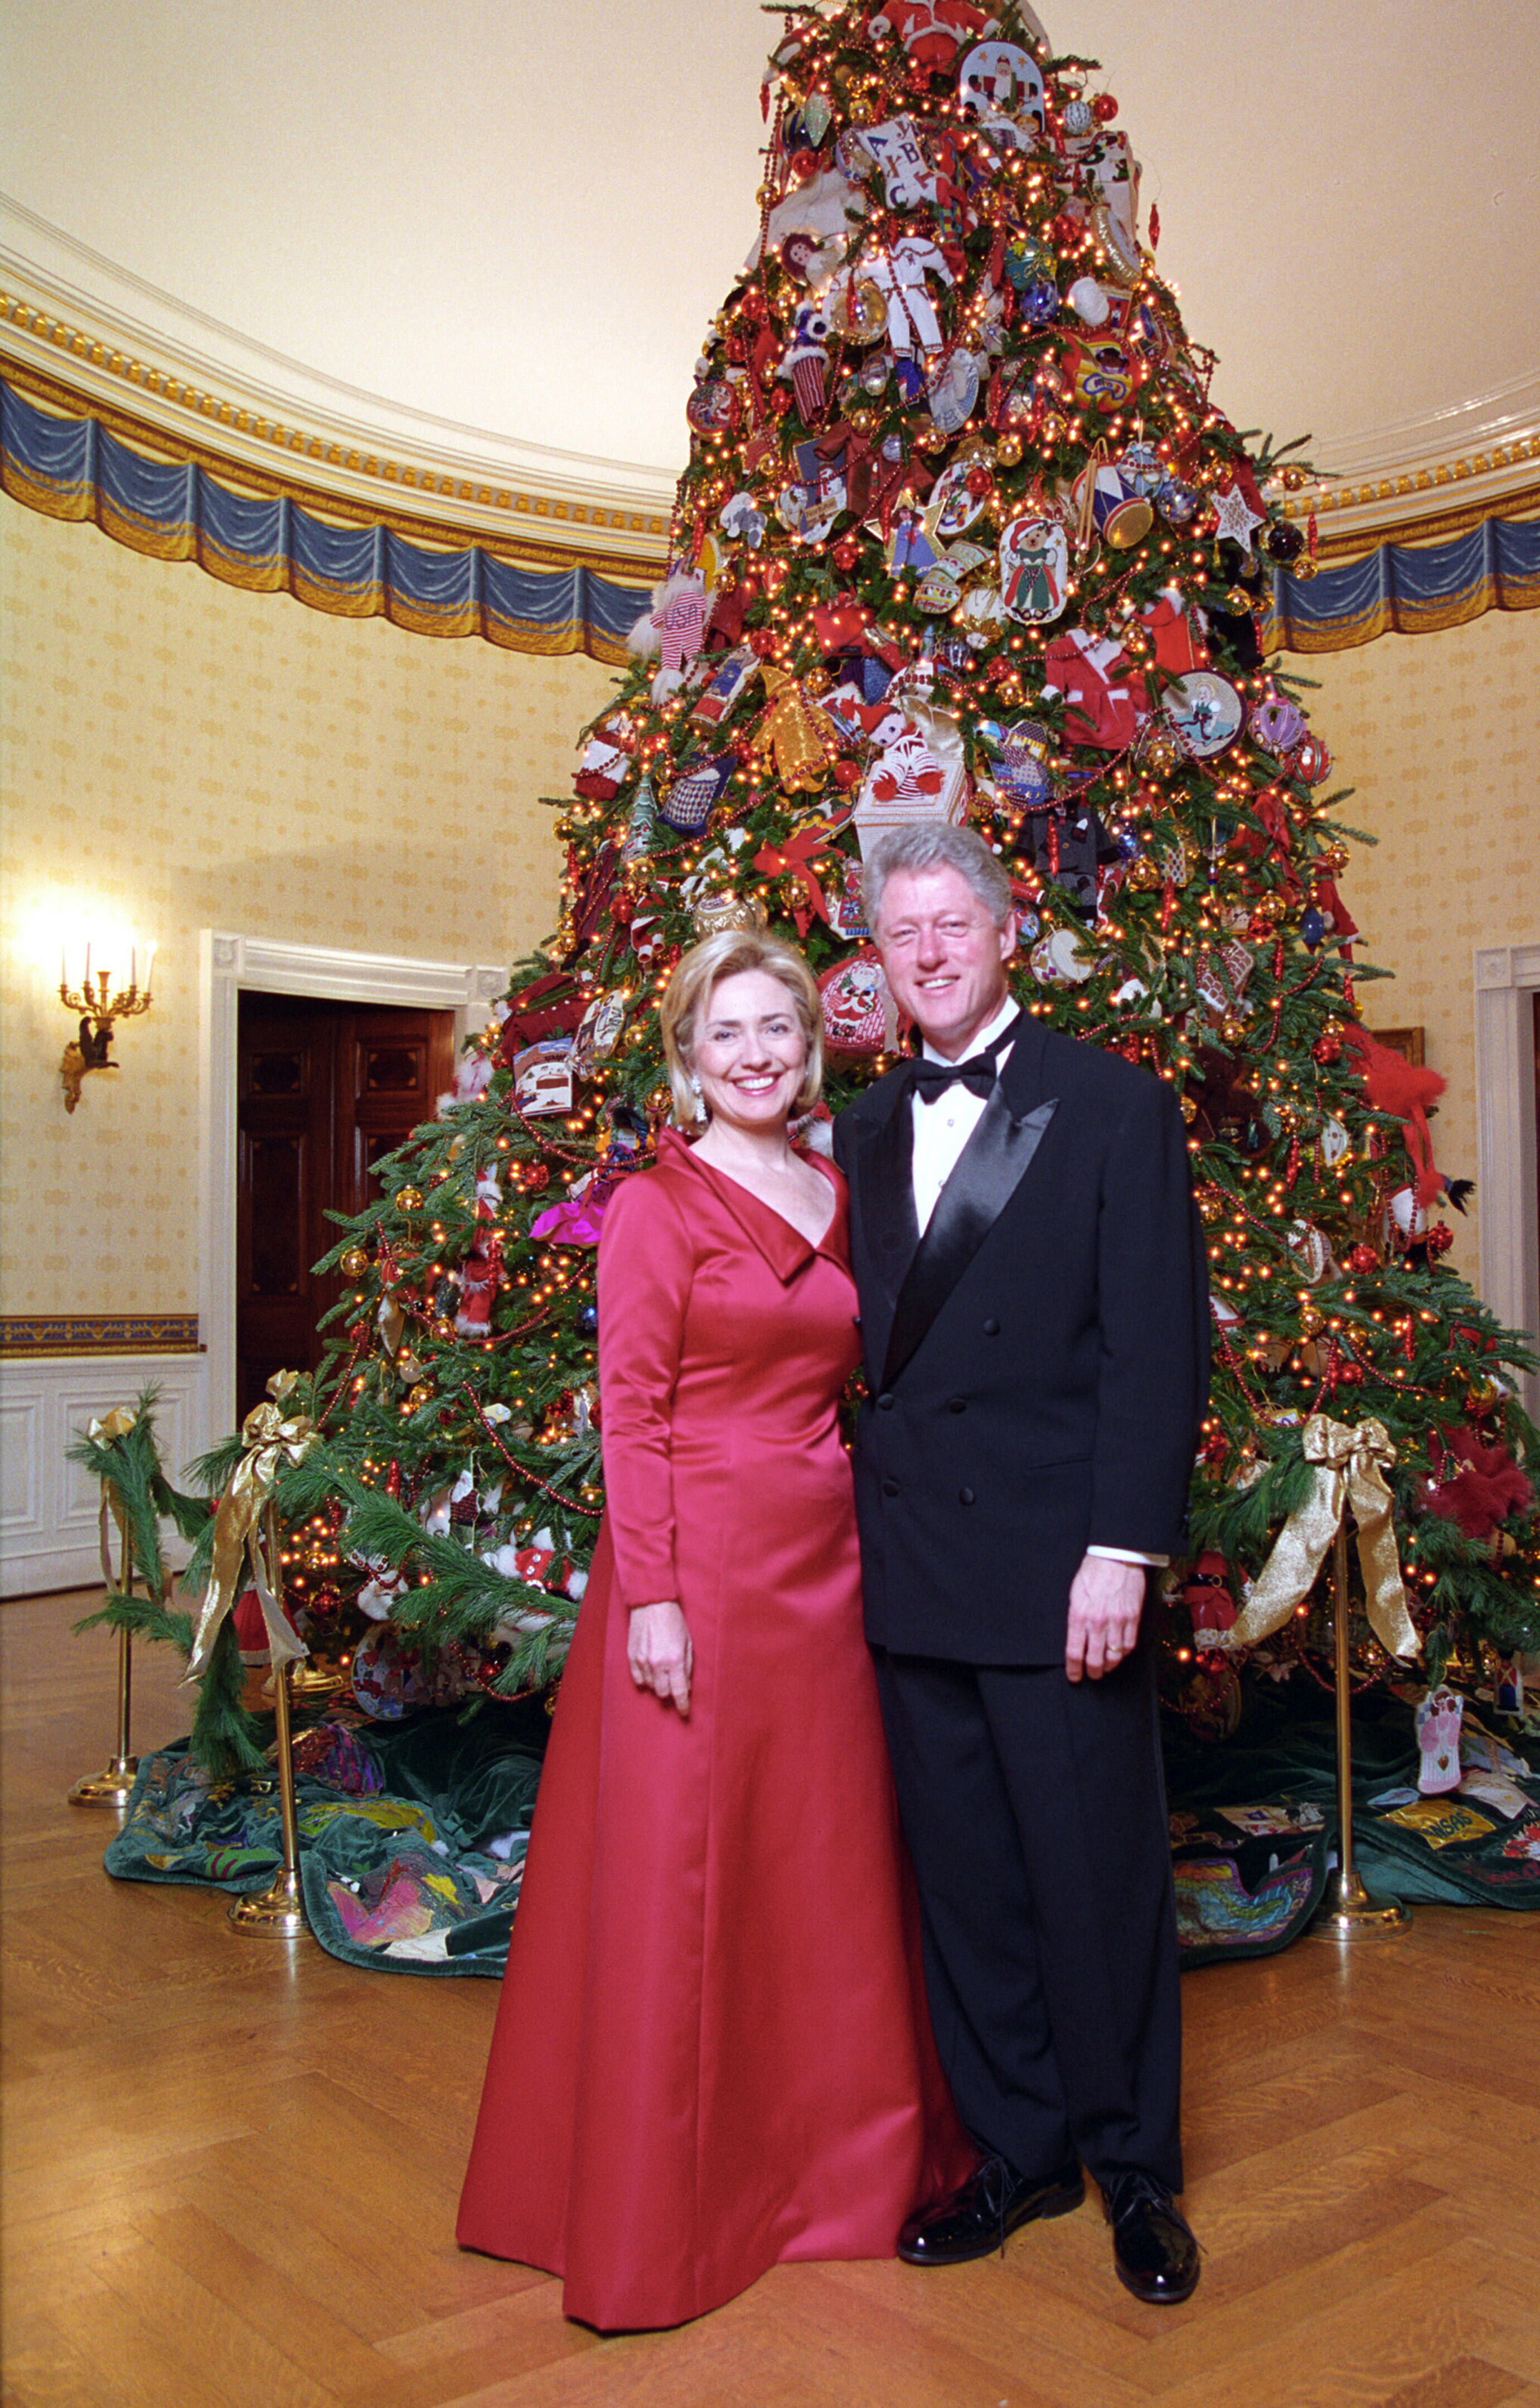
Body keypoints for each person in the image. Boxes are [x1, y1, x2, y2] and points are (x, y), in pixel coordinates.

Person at [457, 927, 970, 2331]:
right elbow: (634, 1415)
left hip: (829, 1563)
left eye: (781, 1033)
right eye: (730, 1033)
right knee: (692, 1877)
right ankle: (673, 2209)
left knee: (819, 1866)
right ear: (687, 1059)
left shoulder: (834, 1187)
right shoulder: (654, 1208)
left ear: (812, 1050)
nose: (758, 1055)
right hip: (695, 1569)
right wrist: (661, 1599)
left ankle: (832, 2175)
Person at [834, 823, 1211, 2307]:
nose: (926, 951)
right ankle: (1016, 2148)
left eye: (950, 924)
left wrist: (1120, 1547)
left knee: (1092, 1875)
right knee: (969, 1882)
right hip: (913, 1558)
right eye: (900, 931)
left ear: (1004, 931)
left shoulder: (1108, 1102)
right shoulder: (859, 1126)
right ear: (877, 953)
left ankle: (1131, 2167)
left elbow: (1152, 1344)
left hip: (1063, 1564)